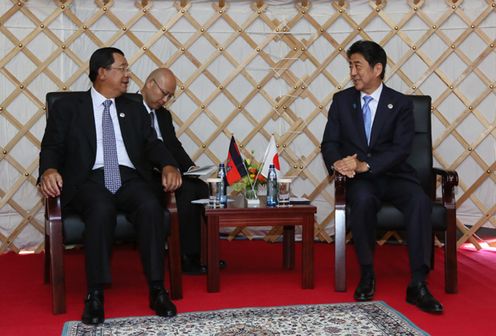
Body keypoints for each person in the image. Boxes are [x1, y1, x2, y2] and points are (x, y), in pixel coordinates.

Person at [38, 47, 182, 325]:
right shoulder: (68, 108)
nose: (128, 75)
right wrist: (49, 170)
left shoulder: (133, 106)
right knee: (100, 209)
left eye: (128, 69)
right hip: (88, 179)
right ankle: (95, 293)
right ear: (102, 72)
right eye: (122, 68)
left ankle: (157, 289)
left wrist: (167, 164)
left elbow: (152, 143)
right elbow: (52, 146)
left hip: (128, 177)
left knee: (151, 206)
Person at [321, 40, 443, 313]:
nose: (352, 72)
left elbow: (401, 150)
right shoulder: (341, 101)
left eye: (357, 65)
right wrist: (338, 163)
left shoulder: (399, 103)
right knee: (362, 202)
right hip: (362, 182)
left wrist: (365, 164)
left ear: (377, 69)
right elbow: (329, 143)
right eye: (350, 65)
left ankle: (419, 284)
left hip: (396, 175)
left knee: (420, 202)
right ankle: (367, 273)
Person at [140, 68, 226, 275]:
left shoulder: (163, 115)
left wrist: (191, 169)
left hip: (167, 172)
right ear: (150, 84)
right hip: (142, 175)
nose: (165, 99)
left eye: (170, 96)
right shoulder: (128, 108)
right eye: (164, 93)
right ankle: (184, 258)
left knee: (201, 188)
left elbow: (173, 146)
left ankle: (205, 253)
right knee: (185, 191)